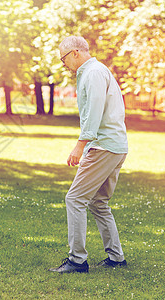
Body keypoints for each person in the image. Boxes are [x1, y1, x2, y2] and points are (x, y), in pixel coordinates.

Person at [48, 36, 128, 273]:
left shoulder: (92, 72)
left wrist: (80, 145)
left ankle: (77, 260)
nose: (64, 64)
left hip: (103, 147)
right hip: (115, 146)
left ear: (74, 53)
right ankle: (116, 257)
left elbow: (93, 112)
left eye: (63, 59)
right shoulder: (96, 70)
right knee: (99, 202)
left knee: (75, 199)